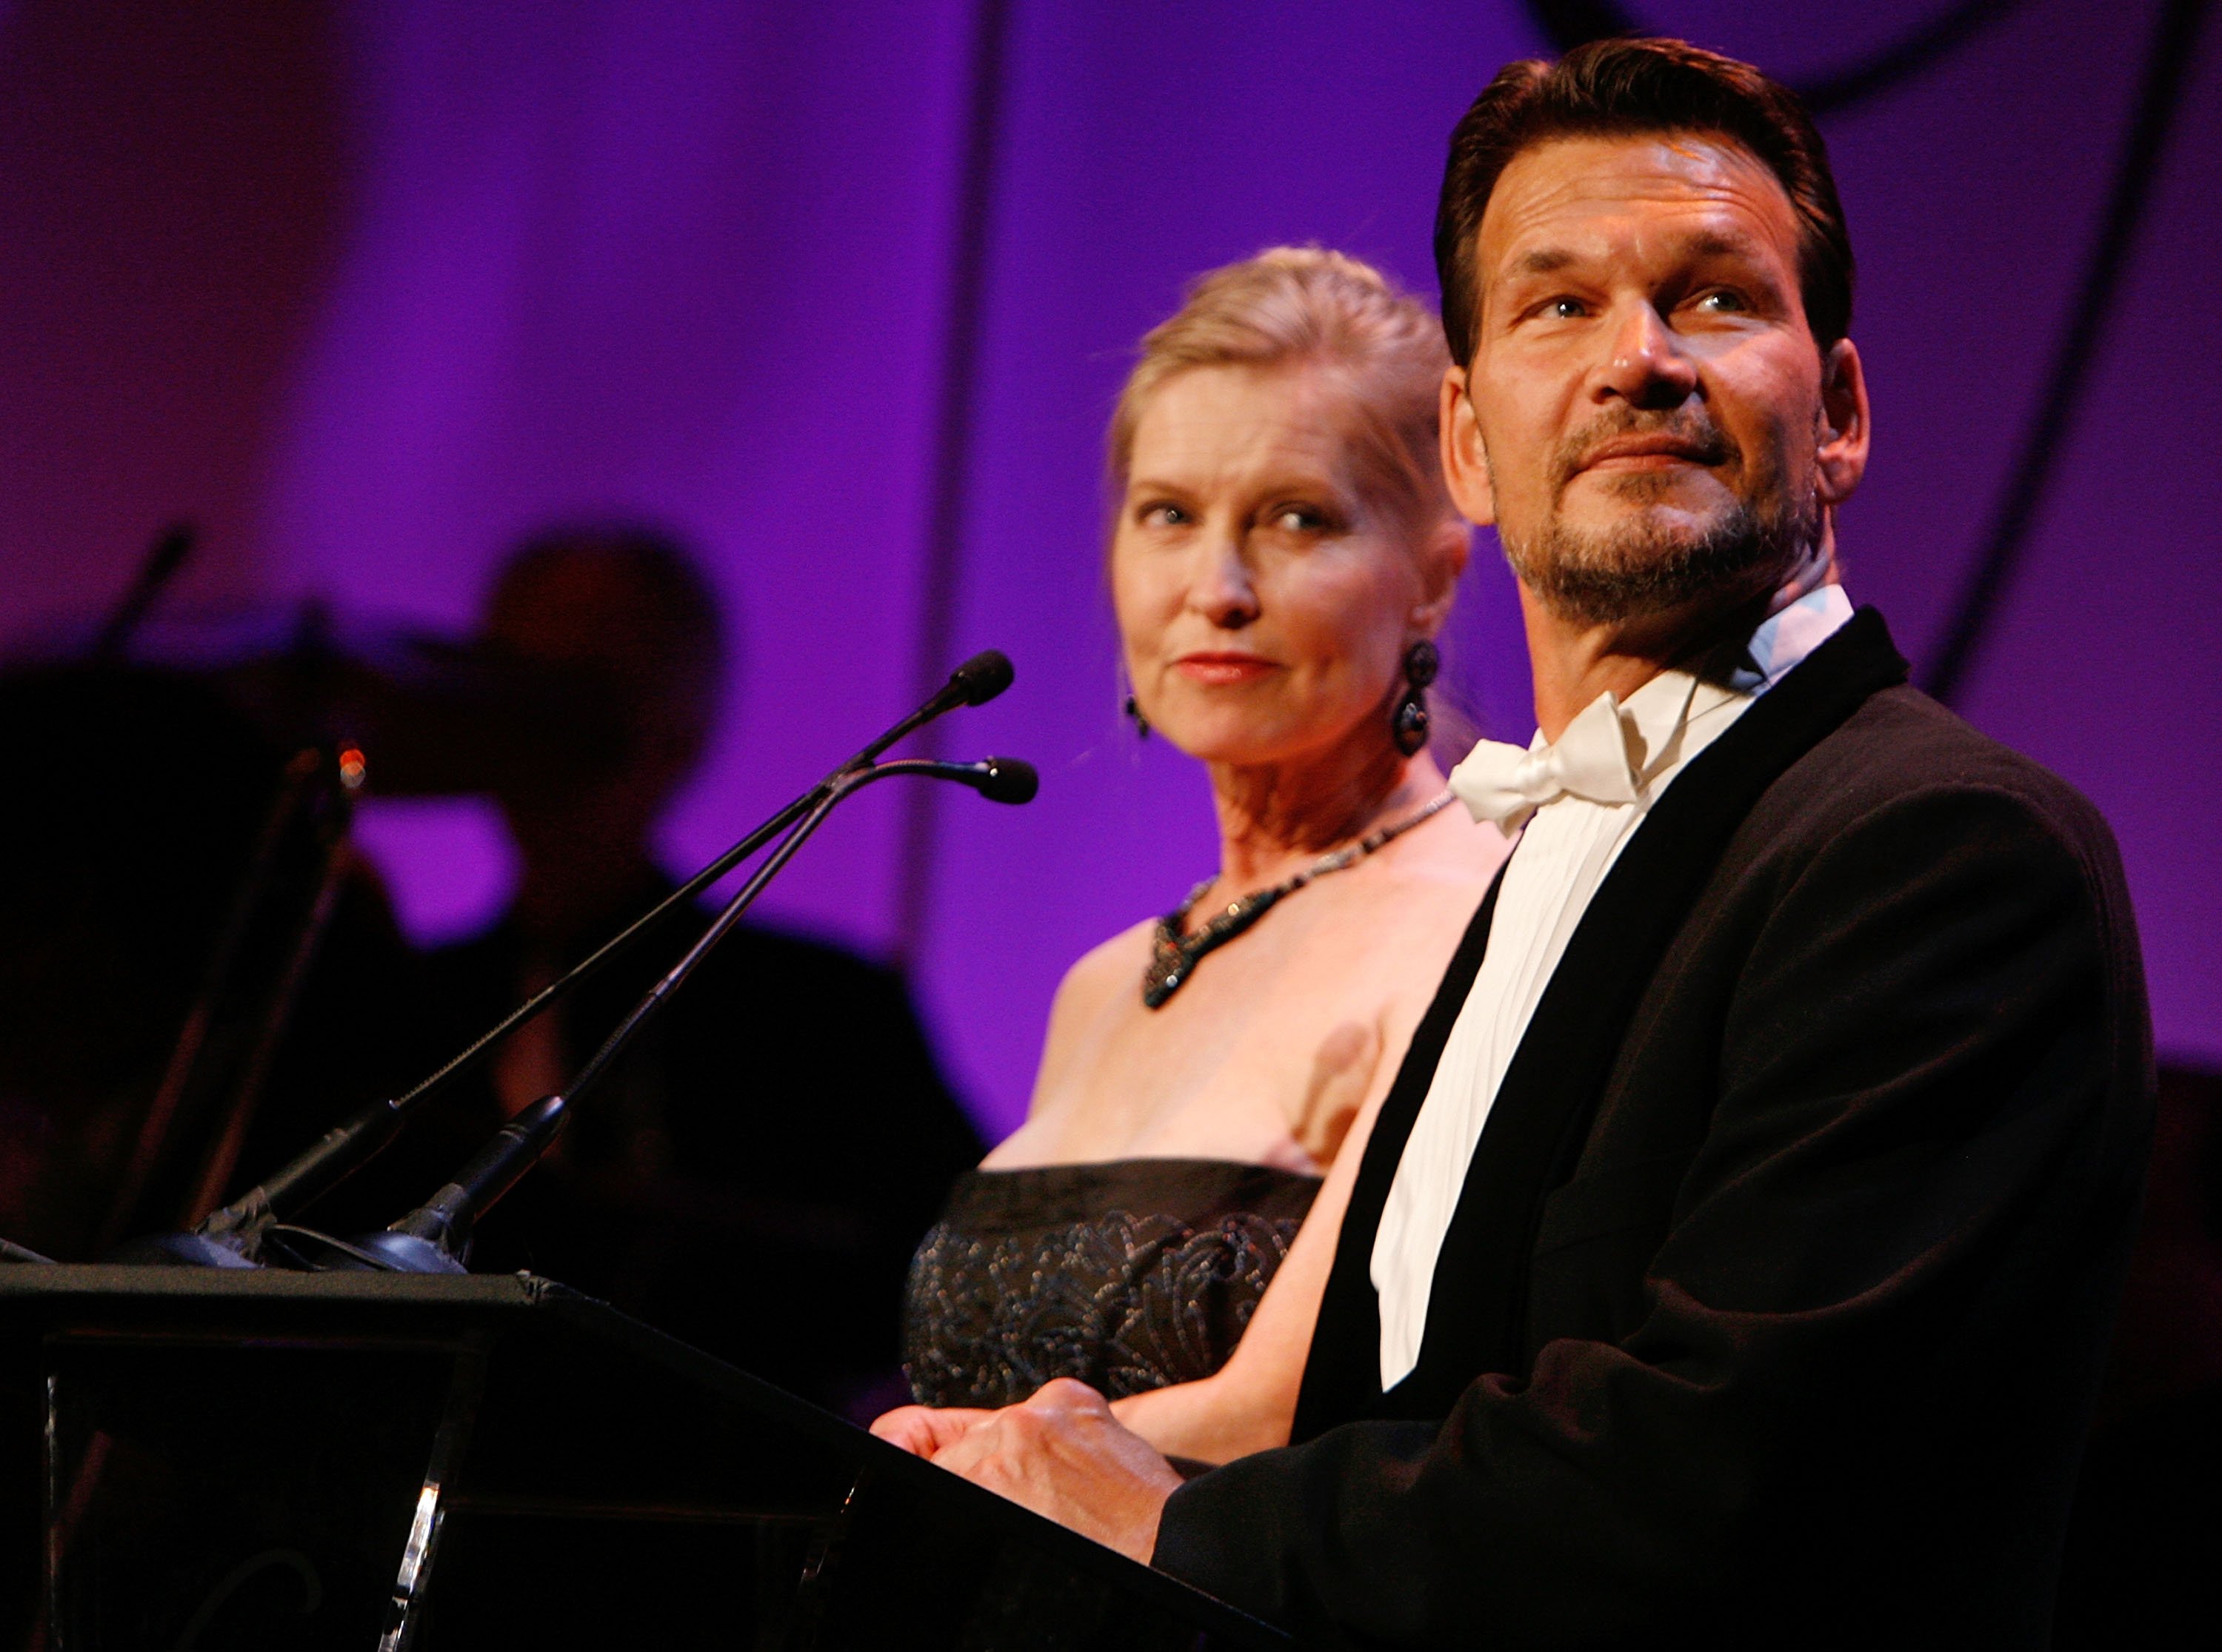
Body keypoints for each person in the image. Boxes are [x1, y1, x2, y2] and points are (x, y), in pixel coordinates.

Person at [880, 39, 2155, 1649]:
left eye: (1711, 297)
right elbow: (1397, 1404)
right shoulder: (1558, 849)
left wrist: (1167, 1516)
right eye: (1560, 304)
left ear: (1836, 411)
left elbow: (1720, 1477)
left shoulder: (1942, 851)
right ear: (1471, 442)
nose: (1640, 357)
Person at [881, 249, 1511, 1465]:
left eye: (1296, 519)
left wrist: (932, 1470)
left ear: (1434, 578)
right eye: (1169, 515)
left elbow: (1299, 1406)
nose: (1216, 589)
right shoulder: (1102, 985)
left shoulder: (1480, 926)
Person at [365, 526, 983, 1414]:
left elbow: (956, 1278)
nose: (548, 733)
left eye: (590, 694)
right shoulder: (400, 1000)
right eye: (518, 685)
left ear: (683, 730)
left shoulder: (821, 1014)